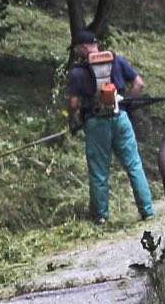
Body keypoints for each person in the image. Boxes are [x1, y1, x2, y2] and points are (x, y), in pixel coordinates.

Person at [66, 29, 155, 224]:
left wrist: (73, 119)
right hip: (120, 117)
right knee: (133, 164)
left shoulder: (77, 72)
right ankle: (147, 210)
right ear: (95, 44)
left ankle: (101, 217)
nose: (76, 52)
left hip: (96, 123)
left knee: (99, 171)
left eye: (77, 49)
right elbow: (139, 84)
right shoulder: (117, 60)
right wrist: (126, 101)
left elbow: (73, 104)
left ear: (82, 47)